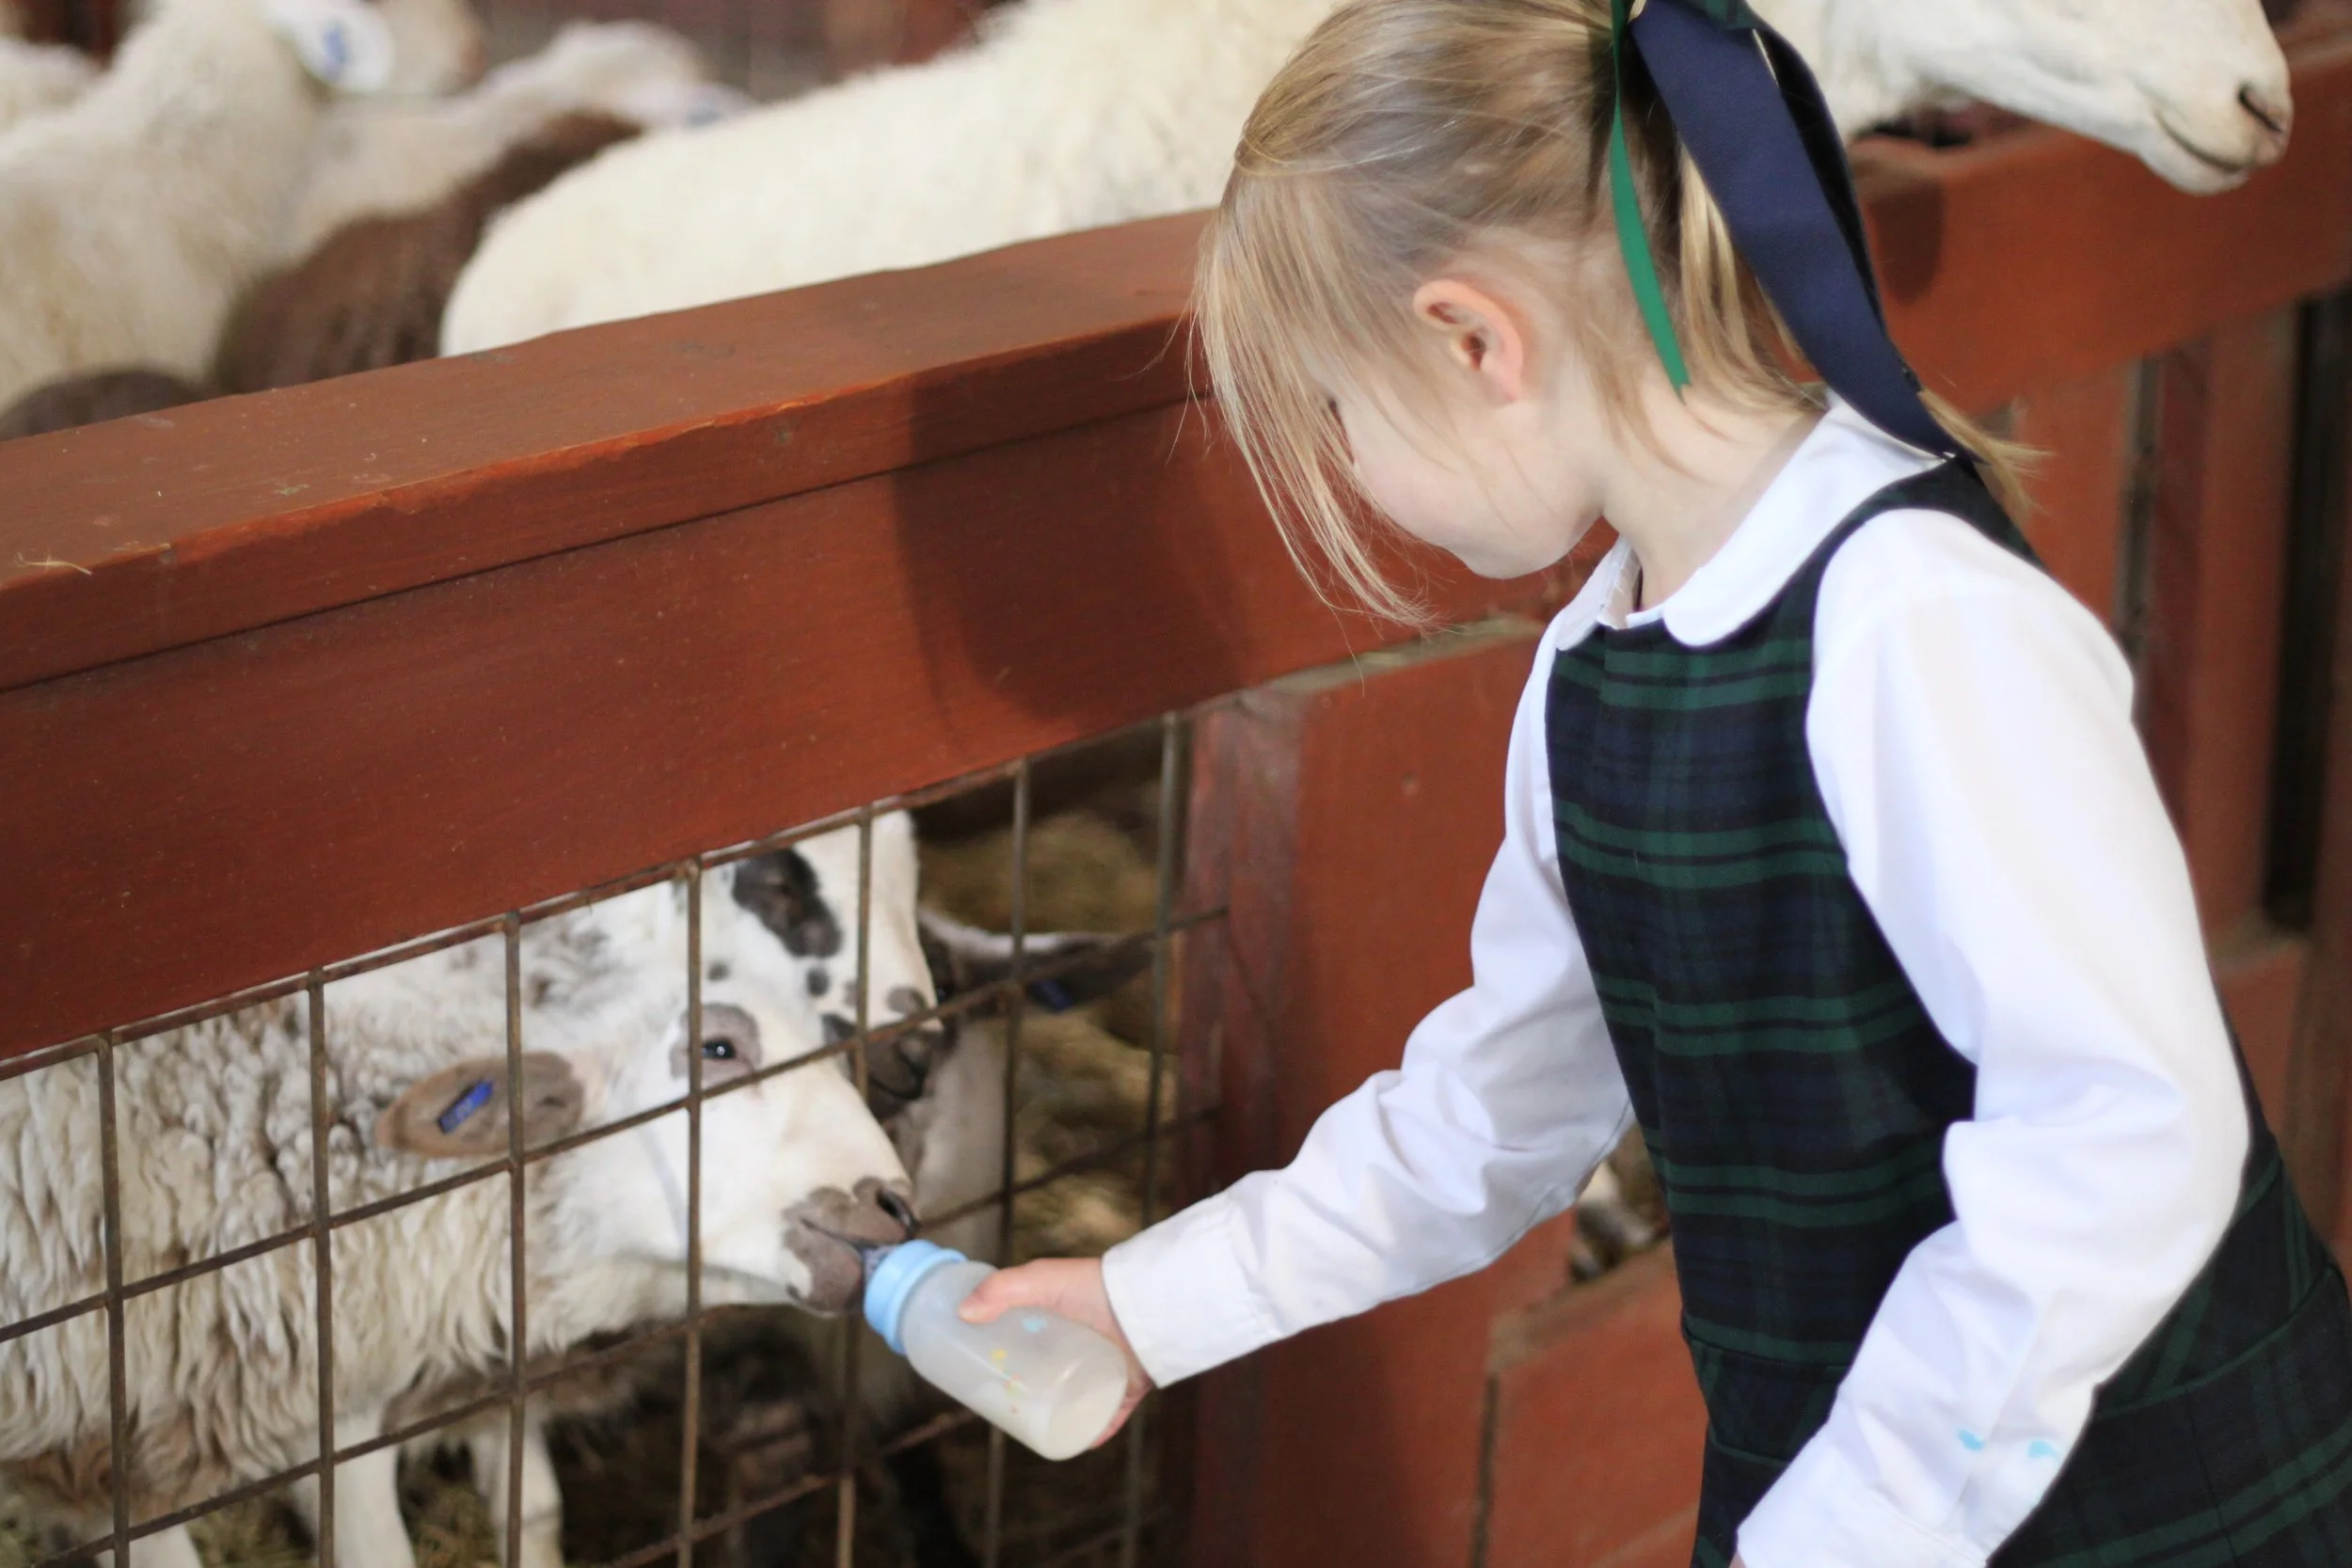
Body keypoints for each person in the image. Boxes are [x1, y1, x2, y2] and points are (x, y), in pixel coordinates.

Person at [961, 0, 2352, 1563]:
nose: (1347, 474)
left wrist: (1848, 1523)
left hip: (2149, 1505)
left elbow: (2125, 1130)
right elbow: (1495, 1108)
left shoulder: (1915, 624)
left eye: (1340, 417)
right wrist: (1153, 1301)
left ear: (1472, 339)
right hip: (1841, 1486)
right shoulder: (1597, 667)